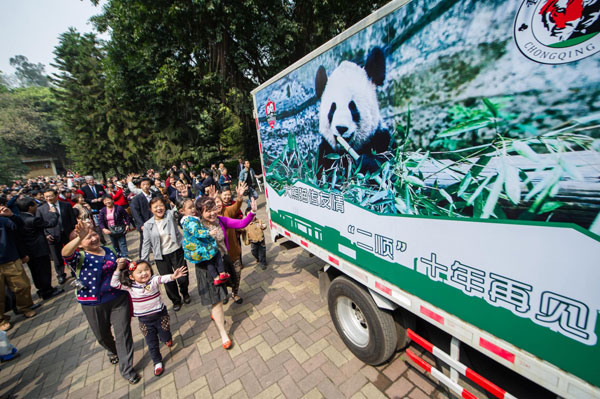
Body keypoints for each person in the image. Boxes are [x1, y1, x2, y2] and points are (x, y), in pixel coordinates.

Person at [62, 221, 140, 384]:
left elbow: (121, 264)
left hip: (118, 298)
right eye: (87, 237)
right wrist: (79, 237)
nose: (93, 238)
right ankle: (112, 351)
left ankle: (126, 369)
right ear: (80, 245)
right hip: (93, 304)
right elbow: (65, 253)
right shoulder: (79, 257)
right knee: (102, 336)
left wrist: (124, 264)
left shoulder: (109, 250)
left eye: (94, 234)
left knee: (123, 333)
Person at [110, 259, 187, 376]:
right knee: (151, 343)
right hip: (144, 321)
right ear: (131, 276)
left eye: (146, 269)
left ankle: (167, 339)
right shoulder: (130, 287)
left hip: (161, 315)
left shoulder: (153, 280)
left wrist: (173, 276)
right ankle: (157, 362)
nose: (144, 273)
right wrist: (118, 269)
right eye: (139, 272)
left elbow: (162, 279)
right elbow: (114, 284)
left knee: (165, 334)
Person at [198, 196, 257, 307]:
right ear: (201, 213)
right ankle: (223, 297)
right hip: (211, 264)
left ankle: (235, 294)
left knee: (236, 276)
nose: (212, 214)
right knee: (220, 286)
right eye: (207, 211)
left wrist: (252, 212)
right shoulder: (197, 226)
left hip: (226, 257)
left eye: (213, 209)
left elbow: (241, 223)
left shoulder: (220, 220)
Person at [141, 197, 190, 311]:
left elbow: (177, 209)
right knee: (168, 280)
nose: (159, 208)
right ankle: (176, 300)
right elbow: (146, 244)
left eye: (161, 205)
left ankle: (185, 293)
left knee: (183, 277)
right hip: (161, 257)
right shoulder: (148, 225)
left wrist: (182, 197)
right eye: (155, 207)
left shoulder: (170, 215)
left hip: (177, 251)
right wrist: (143, 262)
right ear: (151, 209)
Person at [16, 197, 64, 299]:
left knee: (35, 272)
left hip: (29, 251)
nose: (36, 207)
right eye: (34, 205)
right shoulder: (33, 220)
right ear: (30, 207)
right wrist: (54, 213)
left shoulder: (19, 217)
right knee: (44, 271)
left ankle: (43, 290)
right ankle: (47, 291)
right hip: (39, 250)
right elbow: (51, 224)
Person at [0, 205, 37, 331]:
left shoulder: (3, 220)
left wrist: (11, 216)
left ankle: (25, 307)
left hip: (11, 259)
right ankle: (1, 319)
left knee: (22, 285)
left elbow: (19, 229)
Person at [36, 188, 77, 284]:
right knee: (56, 256)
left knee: (71, 252)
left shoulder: (66, 205)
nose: (49, 198)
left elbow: (72, 219)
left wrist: (74, 231)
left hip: (67, 234)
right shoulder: (41, 209)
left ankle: (74, 270)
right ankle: (61, 274)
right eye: (46, 197)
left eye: (51, 196)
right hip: (52, 236)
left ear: (56, 195)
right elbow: (39, 224)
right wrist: (46, 234)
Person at [130, 178, 156, 257]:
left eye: (147, 184)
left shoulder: (154, 195)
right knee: (145, 242)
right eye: (143, 185)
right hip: (144, 223)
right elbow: (135, 213)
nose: (146, 186)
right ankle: (143, 258)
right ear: (140, 186)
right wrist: (141, 224)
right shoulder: (136, 199)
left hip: (156, 221)